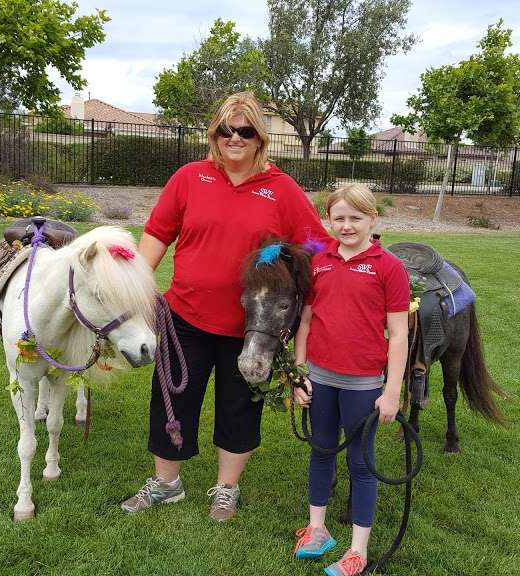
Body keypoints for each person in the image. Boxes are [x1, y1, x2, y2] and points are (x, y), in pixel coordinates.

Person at [121, 92, 328, 521]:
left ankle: (226, 489)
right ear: (214, 135)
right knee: (172, 400)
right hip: (184, 316)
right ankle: (166, 484)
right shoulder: (190, 178)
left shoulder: (281, 189)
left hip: (250, 329)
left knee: (239, 407)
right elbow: (158, 234)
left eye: (246, 131)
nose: (235, 138)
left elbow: (315, 247)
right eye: (226, 130)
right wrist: (133, 291)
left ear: (259, 139)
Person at [290, 183, 410, 575]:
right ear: (328, 220)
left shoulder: (387, 267)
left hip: (362, 385)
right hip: (320, 379)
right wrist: (299, 374)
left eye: (355, 218)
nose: (346, 226)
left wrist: (392, 392)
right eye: (338, 218)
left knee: (361, 463)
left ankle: (358, 549)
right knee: (321, 451)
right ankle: (318, 528)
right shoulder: (318, 261)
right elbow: (305, 322)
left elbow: (399, 335)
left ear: (372, 219)